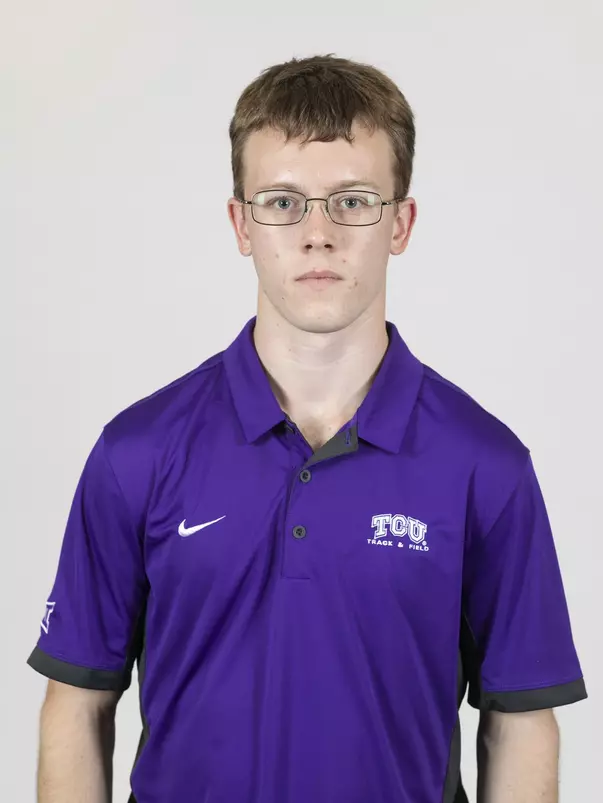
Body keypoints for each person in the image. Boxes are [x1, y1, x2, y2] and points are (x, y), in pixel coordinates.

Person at [27, 53, 587, 803]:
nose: (317, 234)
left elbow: (519, 720)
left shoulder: (484, 463)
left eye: (353, 200)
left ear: (401, 221)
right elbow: (77, 699)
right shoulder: (137, 450)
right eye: (283, 202)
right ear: (239, 223)